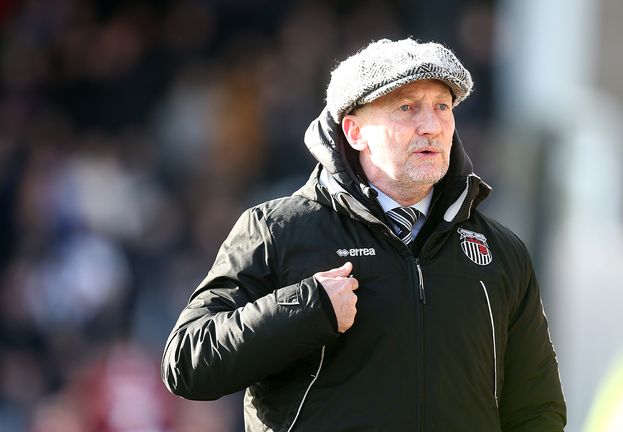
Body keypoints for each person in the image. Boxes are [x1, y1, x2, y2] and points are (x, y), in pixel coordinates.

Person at [162, 38, 566, 431]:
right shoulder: (275, 230)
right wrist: (307, 308)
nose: (432, 126)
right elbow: (186, 364)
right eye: (407, 108)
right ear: (355, 132)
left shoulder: (501, 251)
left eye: (443, 107)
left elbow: (536, 409)